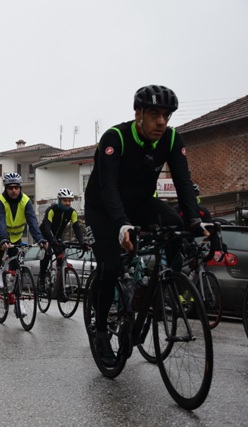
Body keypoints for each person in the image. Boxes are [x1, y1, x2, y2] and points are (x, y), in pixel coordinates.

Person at [84, 85, 208, 368]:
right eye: (154, 114)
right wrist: (122, 224)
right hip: (103, 209)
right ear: (138, 113)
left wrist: (195, 220)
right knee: (110, 267)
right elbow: (108, 187)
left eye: (167, 115)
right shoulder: (115, 138)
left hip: (140, 204)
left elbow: (183, 182)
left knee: (176, 224)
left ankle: (161, 285)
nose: (162, 122)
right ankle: (101, 332)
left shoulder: (172, 139)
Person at [0, 172, 46, 317]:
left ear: (20, 188)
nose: (14, 190)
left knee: (17, 269)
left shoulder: (26, 201)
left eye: (16, 187)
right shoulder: (0, 201)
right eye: (10, 188)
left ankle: (18, 302)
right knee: (0, 245)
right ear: (6, 188)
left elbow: (32, 222)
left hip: (15, 238)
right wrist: (4, 239)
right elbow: (1, 221)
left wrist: (40, 239)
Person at [39, 188, 89, 298]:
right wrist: (52, 241)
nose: (67, 203)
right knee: (47, 252)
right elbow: (47, 228)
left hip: (57, 236)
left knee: (61, 260)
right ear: (59, 200)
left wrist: (82, 243)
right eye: (65, 200)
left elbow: (77, 228)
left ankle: (60, 290)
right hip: (45, 235)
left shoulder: (72, 212)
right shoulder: (51, 210)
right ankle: (41, 279)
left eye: (69, 201)